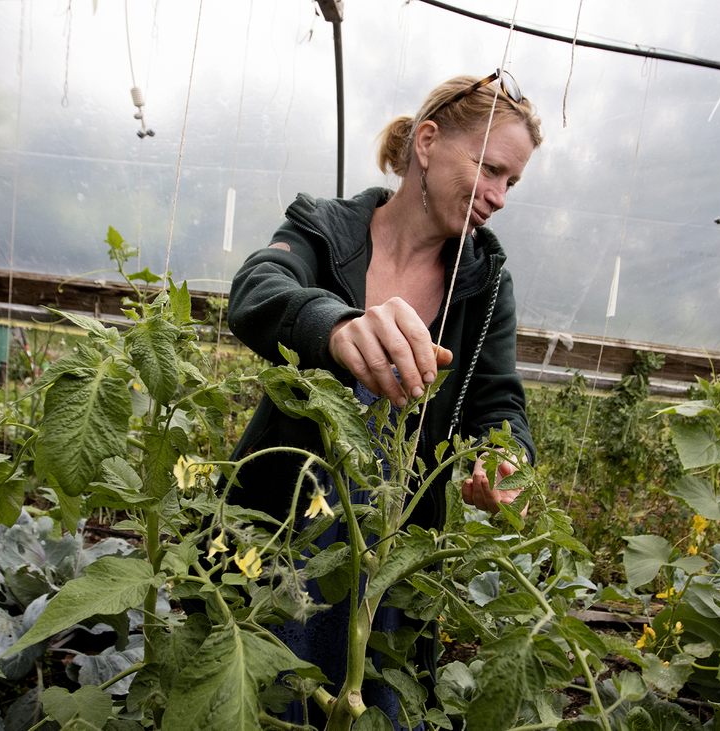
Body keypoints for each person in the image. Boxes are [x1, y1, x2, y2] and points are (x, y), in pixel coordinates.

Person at [225, 70, 542, 728]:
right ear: (426, 141)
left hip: (395, 542)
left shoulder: (482, 281)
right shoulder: (326, 229)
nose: (499, 196)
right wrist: (335, 327)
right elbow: (258, 288)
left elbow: (497, 401)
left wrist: (502, 459)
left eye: (511, 181)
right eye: (489, 168)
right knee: (266, 682)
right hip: (288, 519)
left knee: (374, 696)